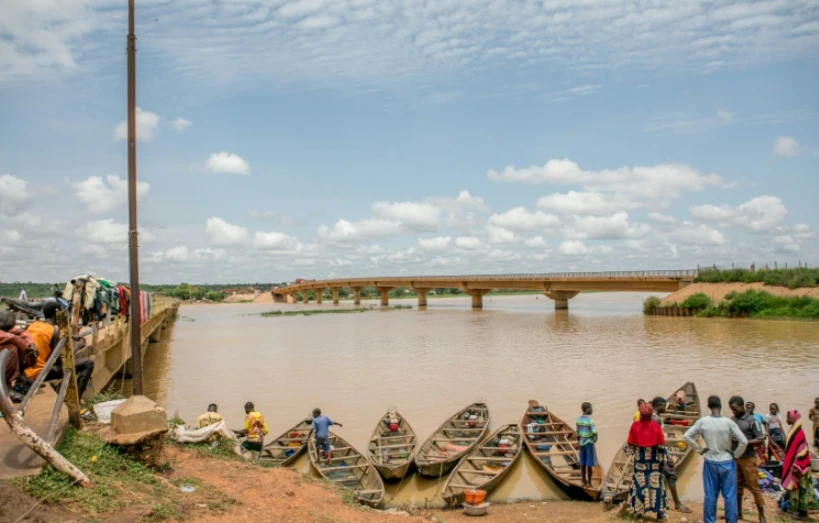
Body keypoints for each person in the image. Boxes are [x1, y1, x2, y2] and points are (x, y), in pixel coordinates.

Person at [684, 395, 747, 523]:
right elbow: (744, 441)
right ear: (721, 405)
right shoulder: (729, 422)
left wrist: (700, 449)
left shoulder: (703, 422)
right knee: (729, 496)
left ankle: (710, 521)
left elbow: (687, 435)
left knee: (710, 496)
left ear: (708, 406)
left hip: (710, 462)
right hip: (727, 462)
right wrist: (736, 454)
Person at [24, 302, 95, 397]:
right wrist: (79, 346)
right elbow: (63, 359)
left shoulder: (34, 325)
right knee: (88, 363)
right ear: (56, 314)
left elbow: (47, 338)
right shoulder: (55, 331)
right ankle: (77, 396)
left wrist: (71, 337)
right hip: (39, 373)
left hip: (25, 371)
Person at [627, 402, 668, 521]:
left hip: (640, 459)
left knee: (640, 486)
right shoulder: (656, 427)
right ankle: (660, 514)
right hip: (654, 460)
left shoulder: (635, 426)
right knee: (656, 485)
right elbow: (661, 446)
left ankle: (639, 514)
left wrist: (632, 453)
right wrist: (663, 460)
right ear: (651, 414)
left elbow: (630, 445)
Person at [729, 396, 767, 523]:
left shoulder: (752, 421)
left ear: (742, 406)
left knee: (754, 486)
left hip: (748, 458)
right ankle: (738, 513)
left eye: (734, 408)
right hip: (735, 458)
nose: (733, 411)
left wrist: (744, 442)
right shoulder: (732, 420)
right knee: (737, 487)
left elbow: (760, 439)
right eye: (731, 409)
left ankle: (761, 515)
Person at [651, 397, 692, 513]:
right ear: (658, 405)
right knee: (671, 475)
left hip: (653, 452)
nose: (666, 408)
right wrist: (666, 455)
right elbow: (655, 440)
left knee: (652, 478)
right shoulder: (655, 419)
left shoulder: (654, 417)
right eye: (664, 406)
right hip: (656, 453)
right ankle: (677, 504)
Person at [781, 410, 813, 520]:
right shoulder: (793, 431)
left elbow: (802, 450)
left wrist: (796, 466)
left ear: (794, 418)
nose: (787, 419)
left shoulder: (799, 433)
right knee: (795, 488)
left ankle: (802, 512)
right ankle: (795, 511)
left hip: (800, 466)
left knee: (801, 488)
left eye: (788, 417)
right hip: (796, 465)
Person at [0, 311, 37, 401]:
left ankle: (11, 384)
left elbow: (21, 333)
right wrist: (21, 343)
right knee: (11, 348)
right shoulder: (9, 338)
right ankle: (5, 390)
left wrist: (30, 344)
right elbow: (12, 337)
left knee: (20, 348)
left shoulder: (9, 332)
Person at [576, 402, 598, 488]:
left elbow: (577, 432)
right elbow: (594, 432)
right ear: (587, 409)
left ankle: (583, 481)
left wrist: (579, 441)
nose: (592, 409)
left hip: (581, 442)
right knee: (589, 462)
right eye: (591, 408)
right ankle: (589, 482)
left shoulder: (578, 419)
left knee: (582, 462)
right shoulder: (590, 419)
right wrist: (595, 439)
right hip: (589, 442)